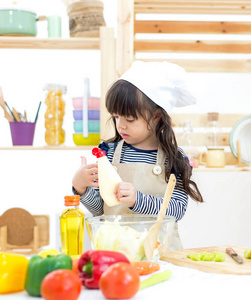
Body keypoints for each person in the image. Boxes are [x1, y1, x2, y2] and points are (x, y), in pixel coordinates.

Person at [72, 61, 204, 250]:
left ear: (157, 116)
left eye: (130, 119)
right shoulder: (109, 153)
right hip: (117, 254)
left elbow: (176, 210)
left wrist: (138, 201)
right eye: (116, 117)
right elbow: (102, 210)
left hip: (161, 254)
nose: (121, 126)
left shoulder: (174, 159)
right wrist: (81, 188)